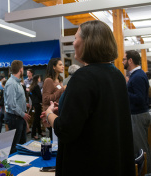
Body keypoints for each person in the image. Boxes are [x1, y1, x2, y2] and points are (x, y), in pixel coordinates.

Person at [43, 20, 135, 175]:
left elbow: (65, 130)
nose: (73, 43)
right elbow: (100, 114)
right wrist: (65, 110)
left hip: (88, 163)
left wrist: (49, 114)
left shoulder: (83, 77)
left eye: (76, 38)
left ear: (88, 43)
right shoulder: (117, 75)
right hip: (111, 160)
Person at [123, 50, 151, 172]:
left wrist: (124, 91)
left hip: (138, 115)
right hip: (138, 115)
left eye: (124, 59)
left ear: (130, 60)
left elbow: (139, 98)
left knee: (141, 150)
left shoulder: (138, 76)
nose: (123, 61)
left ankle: (146, 172)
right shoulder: (136, 75)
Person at [4, 60, 31, 154]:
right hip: (14, 118)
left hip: (18, 117)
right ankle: (12, 167)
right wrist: (23, 114)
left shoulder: (17, 82)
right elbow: (11, 104)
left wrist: (24, 104)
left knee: (22, 144)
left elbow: (16, 100)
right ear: (21, 69)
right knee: (14, 146)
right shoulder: (12, 83)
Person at [42, 58, 65, 139]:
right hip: (51, 114)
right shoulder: (49, 80)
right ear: (54, 67)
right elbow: (46, 99)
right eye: (60, 64)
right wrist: (62, 90)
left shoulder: (59, 80)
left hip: (58, 113)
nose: (63, 66)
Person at [29, 75, 44, 140]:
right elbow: (39, 96)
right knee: (36, 119)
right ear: (38, 79)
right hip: (37, 104)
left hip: (34, 104)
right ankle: (34, 134)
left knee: (37, 118)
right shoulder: (36, 86)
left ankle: (40, 132)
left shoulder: (32, 86)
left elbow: (29, 94)